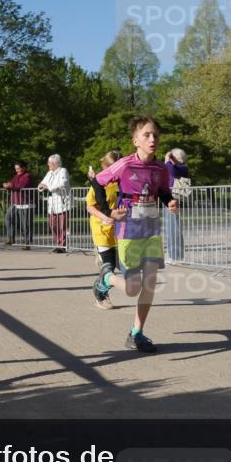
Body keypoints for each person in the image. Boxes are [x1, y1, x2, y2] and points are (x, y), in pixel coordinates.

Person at [91, 116, 178, 353]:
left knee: (149, 283)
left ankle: (136, 333)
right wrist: (108, 211)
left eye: (156, 135)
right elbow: (97, 182)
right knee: (132, 289)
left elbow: (163, 191)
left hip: (151, 231)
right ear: (135, 141)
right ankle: (106, 280)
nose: (152, 139)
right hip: (129, 231)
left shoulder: (160, 168)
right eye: (146, 135)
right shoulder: (125, 164)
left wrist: (170, 201)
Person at [85, 150, 125, 308]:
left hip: (120, 229)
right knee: (109, 268)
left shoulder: (124, 182)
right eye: (115, 167)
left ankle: (100, 258)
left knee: (124, 265)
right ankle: (101, 295)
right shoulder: (100, 182)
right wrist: (104, 216)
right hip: (101, 228)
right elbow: (89, 206)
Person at [38, 154, 71, 253]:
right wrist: (43, 186)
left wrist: (48, 186)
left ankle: (62, 246)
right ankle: (57, 243)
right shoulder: (49, 173)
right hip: (52, 203)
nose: (48, 164)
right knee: (53, 225)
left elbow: (61, 184)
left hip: (62, 202)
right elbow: (41, 185)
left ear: (55, 163)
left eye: (49, 163)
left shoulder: (63, 171)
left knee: (62, 226)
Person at [163, 148, 191, 262]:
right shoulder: (176, 167)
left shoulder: (182, 167)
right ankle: (174, 255)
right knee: (170, 228)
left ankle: (176, 256)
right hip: (169, 198)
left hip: (175, 198)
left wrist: (167, 160)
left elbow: (172, 171)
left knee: (174, 227)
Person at [3, 160, 32, 249]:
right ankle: (11, 238)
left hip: (25, 203)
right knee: (8, 217)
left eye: (18, 169)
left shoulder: (27, 176)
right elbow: (12, 184)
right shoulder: (15, 176)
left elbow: (21, 185)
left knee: (25, 224)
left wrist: (10, 185)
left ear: (24, 168)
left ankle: (27, 243)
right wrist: (7, 185)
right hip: (15, 202)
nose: (17, 170)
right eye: (16, 169)